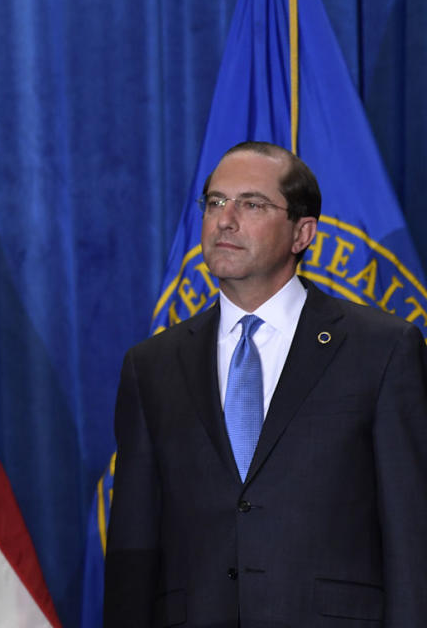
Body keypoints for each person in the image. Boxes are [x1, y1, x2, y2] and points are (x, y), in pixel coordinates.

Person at [104, 141, 427, 626]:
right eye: (215, 203)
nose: (225, 220)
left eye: (251, 204)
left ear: (303, 233)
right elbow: (134, 546)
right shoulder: (151, 365)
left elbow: (411, 536)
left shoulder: (382, 350)